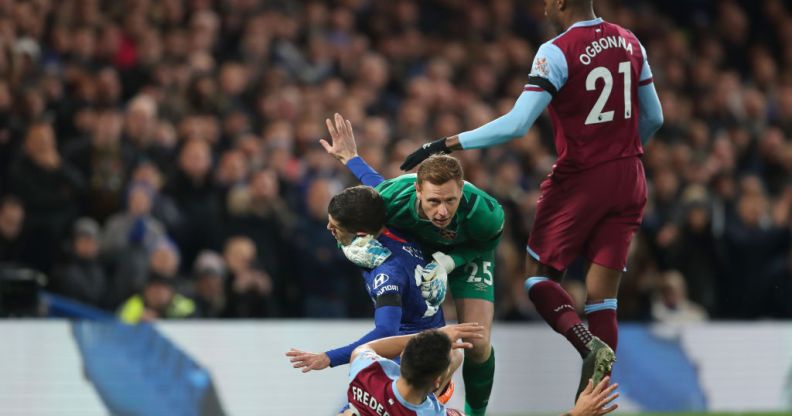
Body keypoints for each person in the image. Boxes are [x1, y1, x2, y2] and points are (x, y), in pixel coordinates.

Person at [398, 0, 664, 398]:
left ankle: (587, 344)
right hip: (630, 175)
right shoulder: (630, 42)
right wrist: (620, 154)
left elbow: (518, 124)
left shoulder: (556, 50)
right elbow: (655, 117)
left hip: (580, 176)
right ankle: (592, 401)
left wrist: (446, 143)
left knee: (538, 276)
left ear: (559, 2)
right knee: (603, 297)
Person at [321, 114, 504, 416]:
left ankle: (475, 414)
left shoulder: (486, 213)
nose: (443, 211)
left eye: (451, 200)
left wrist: (449, 261)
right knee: (441, 347)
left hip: (469, 250)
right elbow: (375, 188)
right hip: (427, 246)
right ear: (418, 190)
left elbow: (487, 243)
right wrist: (351, 158)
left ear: (462, 190)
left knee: (478, 342)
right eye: (434, 201)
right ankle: (433, 397)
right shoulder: (395, 197)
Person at [286, 185, 446, 376]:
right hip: (429, 345)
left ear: (361, 235)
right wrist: (352, 160)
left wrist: (328, 357)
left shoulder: (386, 273)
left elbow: (386, 331)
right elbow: (375, 186)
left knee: (355, 402)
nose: (329, 228)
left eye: (336, 227)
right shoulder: (396, 229)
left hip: (412, 363)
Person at [343, 323, 619, 416]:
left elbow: (367, 347)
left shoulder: (366, 372)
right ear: (438, 380)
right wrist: (577, 413)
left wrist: (431, 336)